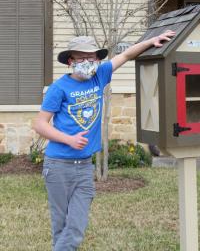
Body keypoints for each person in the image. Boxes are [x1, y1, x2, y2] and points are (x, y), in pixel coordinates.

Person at [33, 31, 174, 251]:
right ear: (71, 61)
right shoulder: (58, 88)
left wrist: (151, 42)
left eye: (92, 58)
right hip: (58, 166)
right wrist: (69, 139)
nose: (88, 62)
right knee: (60, 227)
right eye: (82, 58)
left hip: (84, 167)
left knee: (76, 227)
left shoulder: (100, 75)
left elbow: (126, 55)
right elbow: (39, 124)